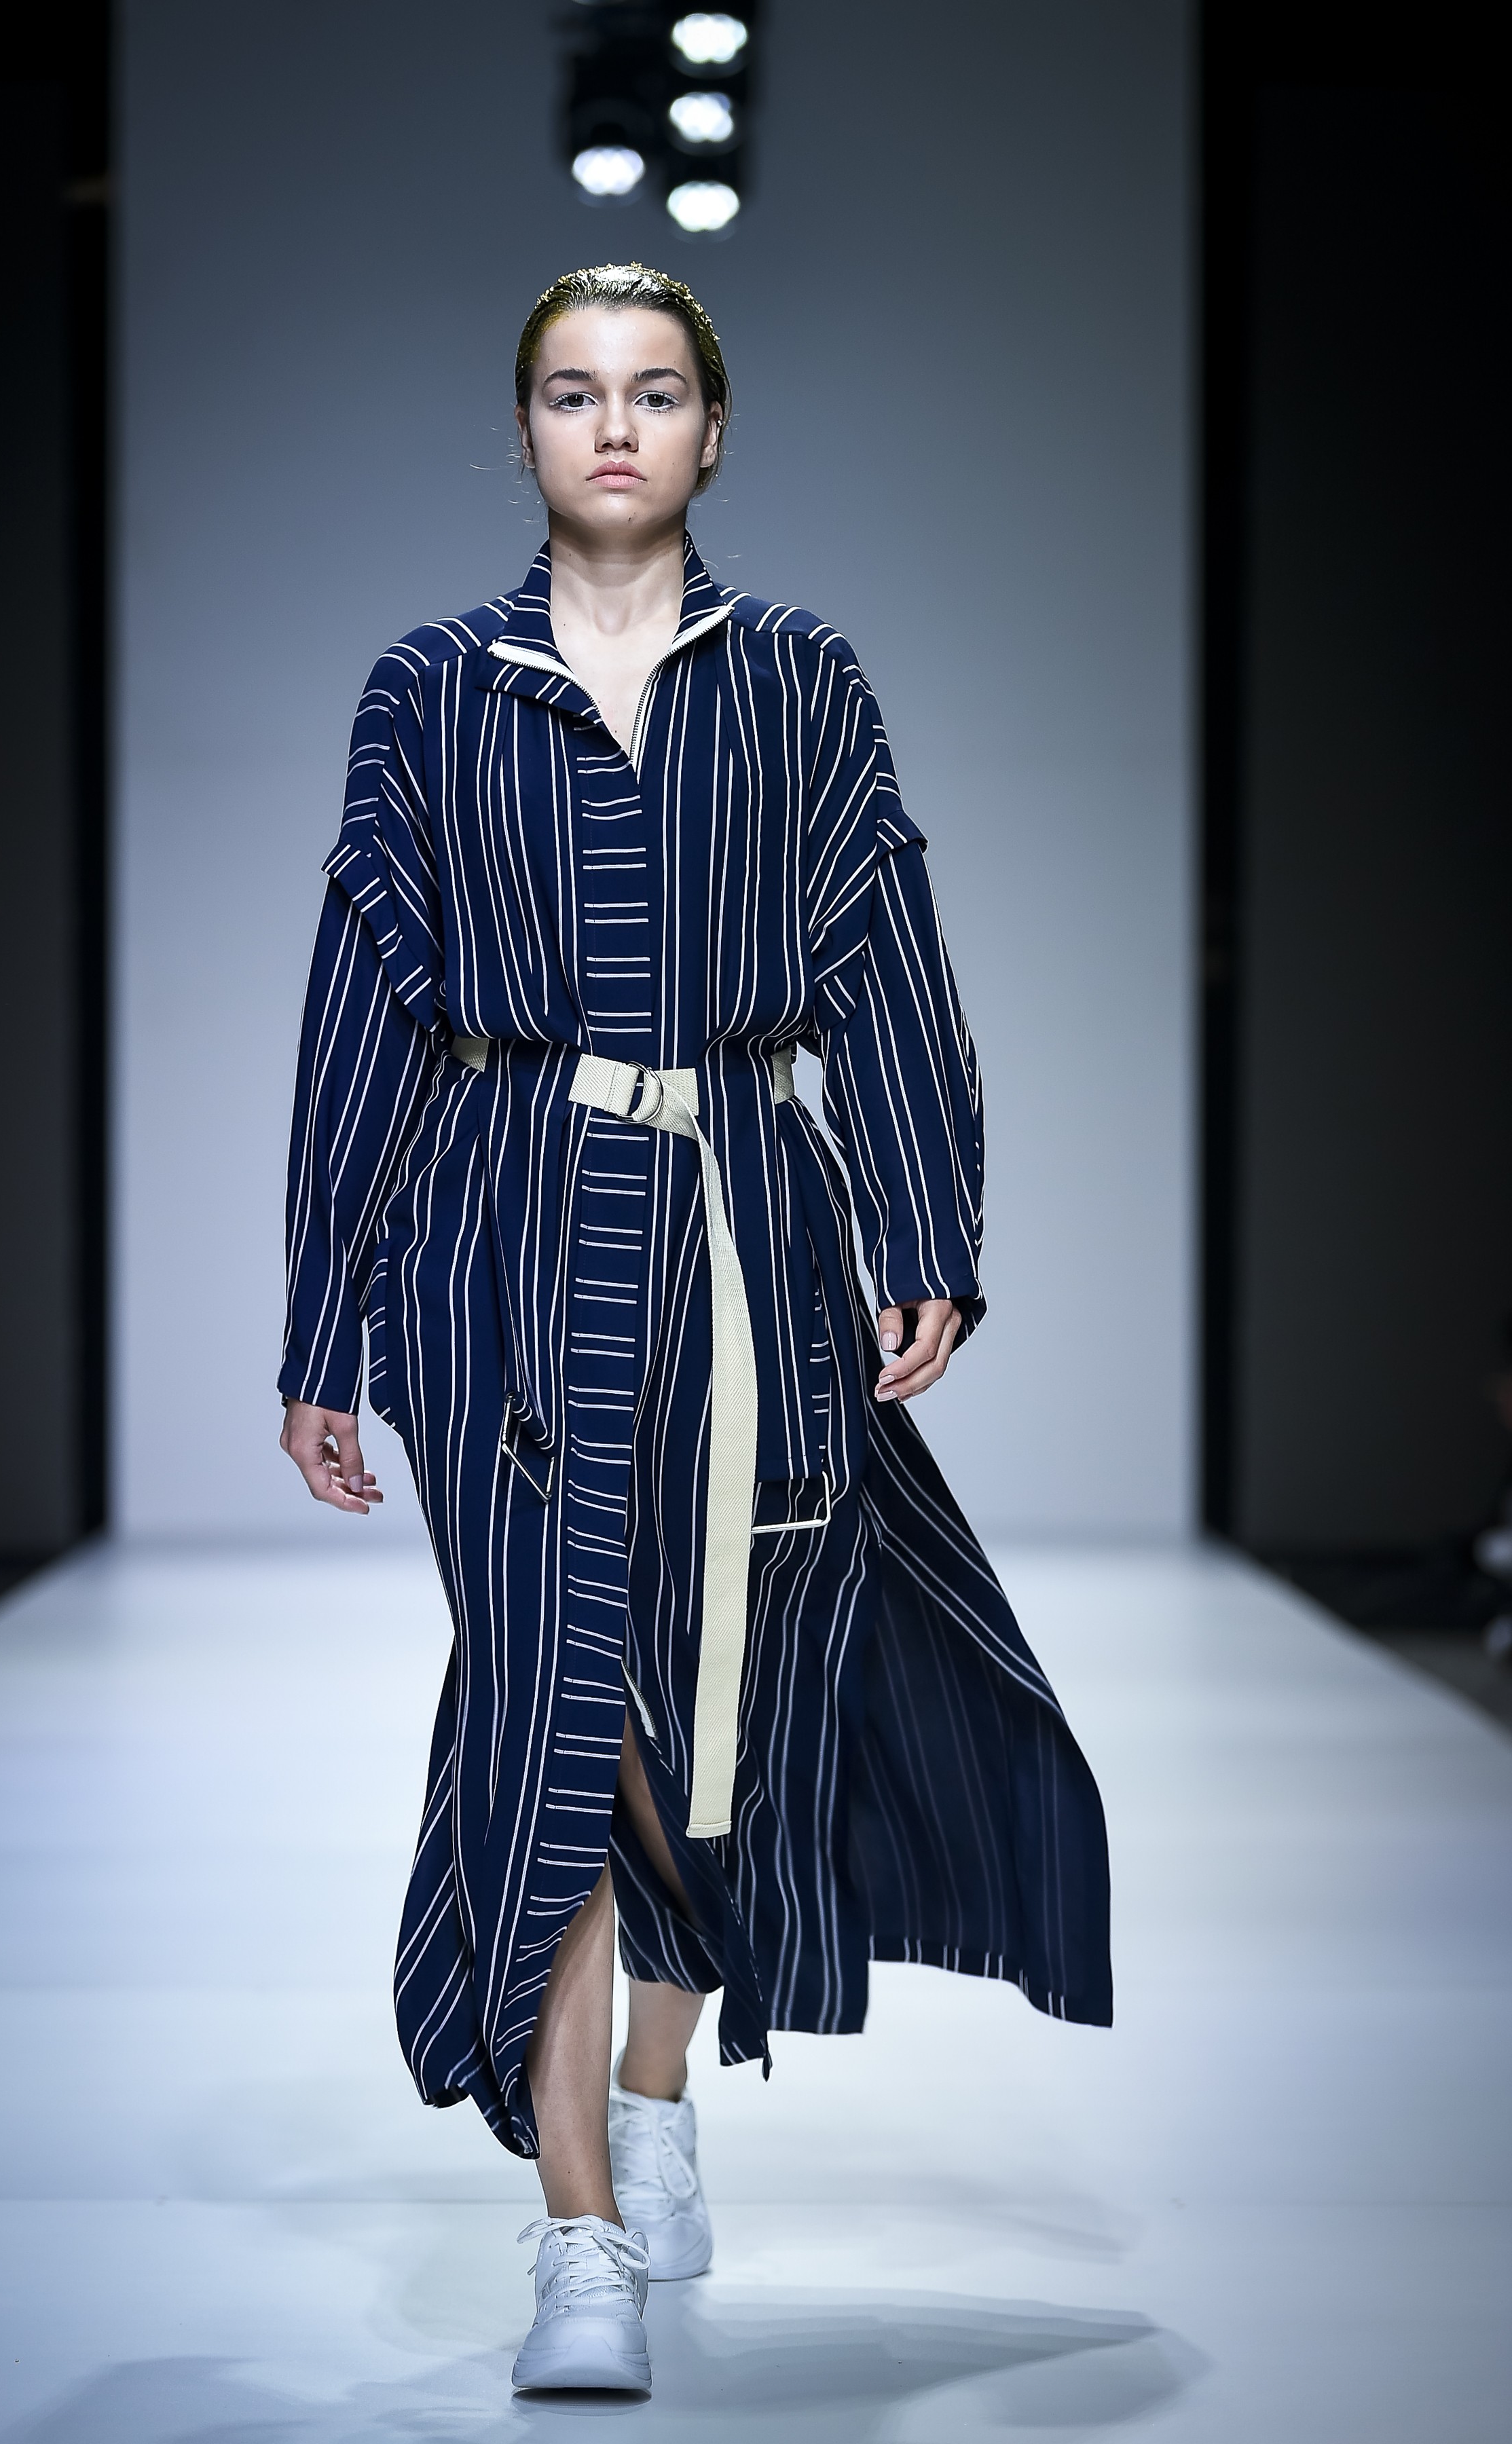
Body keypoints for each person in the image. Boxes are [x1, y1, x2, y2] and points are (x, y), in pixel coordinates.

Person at [278, 262, 1111, 2396]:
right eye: (575, 393)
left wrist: (929, 1224)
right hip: (494, 1232)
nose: (615, 427)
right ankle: (578, 2234)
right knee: (554, 1690)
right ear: (527, 433)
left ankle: (659, 2090)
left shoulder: (806, 680)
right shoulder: (429, 689)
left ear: (712, 433)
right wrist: (320, 1319)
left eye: (654, 393)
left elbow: (889, 952)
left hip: (747, 1227)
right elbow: (362, 997)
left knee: (728, 1695)